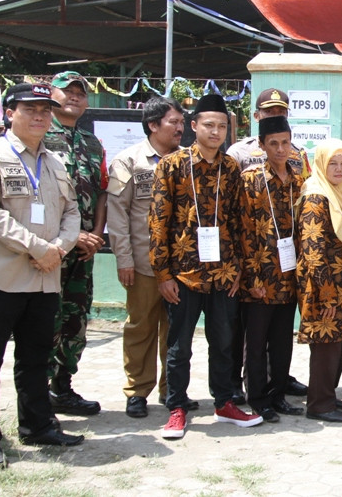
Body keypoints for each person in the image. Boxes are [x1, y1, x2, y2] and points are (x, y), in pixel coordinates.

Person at [0, 83, 84, 471]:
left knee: (35, 358)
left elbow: (72, 213)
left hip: (46, 277)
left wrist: (60, 249)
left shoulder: (54, 162)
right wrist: (38, 248)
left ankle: (37, 425)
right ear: (10, 111)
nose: (39, 116)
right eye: (30, 109)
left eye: (46, 110)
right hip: (0, 277)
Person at [149, 93, 262, 440]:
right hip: (183, 273)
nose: (216, 132)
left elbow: (240, 221)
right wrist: (163, 274)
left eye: (222, 126)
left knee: (224, 341)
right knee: (179, 344)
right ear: (194, 126)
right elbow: (157, 222)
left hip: (224, 274)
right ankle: (177, 408)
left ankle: (224, 403)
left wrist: (240, 269)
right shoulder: (171, 165)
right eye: (209, 125)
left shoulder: (231, 169)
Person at [107, 96, 188, 419]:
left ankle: (173, 390)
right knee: (141, 327)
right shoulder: (129, 161)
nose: (181, 128)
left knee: (175, 331)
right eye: (174, 122)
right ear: (153, 125)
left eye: (183, 122)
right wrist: (123, 259)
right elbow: (118, 213)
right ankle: (137, 391)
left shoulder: (187, 160)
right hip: (142, 263)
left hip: (181, 266)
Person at [225, 87, 308, 401]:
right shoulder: (249, 178)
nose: (281, 149)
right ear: (261, 145)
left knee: (283, 340)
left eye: (285, 142)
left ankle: (277, 395)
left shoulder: (298, 179)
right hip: (260, 276)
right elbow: (241, 231)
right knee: (255, 342)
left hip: (288, 273)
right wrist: (252, 277)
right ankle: (257, 399)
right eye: (273, 144)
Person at [43, 71, 108, 416]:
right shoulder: (40, 138)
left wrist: (96, 234)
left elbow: (101, 193)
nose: (75, 97)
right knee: (45, 320)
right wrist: (71, 236)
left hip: (84, 252)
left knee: (76, 319)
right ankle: (37, 393)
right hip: (50, 250)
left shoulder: (92, 143)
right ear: (52, 96)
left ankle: (62, 388)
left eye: (80, 93)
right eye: (67, 91)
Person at [297, 139, 342, 423]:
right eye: (332, 164)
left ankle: (327, 393)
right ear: (321, 165)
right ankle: (319, 404)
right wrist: (326, 296)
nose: (339, 169)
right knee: (326, 343)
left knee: (340, 340)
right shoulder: (316, 196)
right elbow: (313, 251)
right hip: (325, 284)